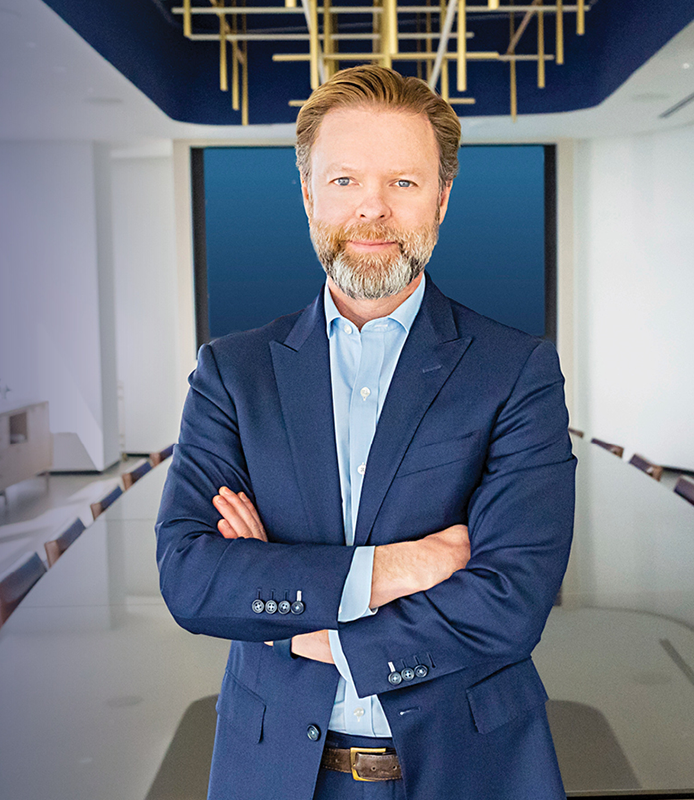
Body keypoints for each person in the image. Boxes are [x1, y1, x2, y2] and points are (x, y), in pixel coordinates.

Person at [155, 64, 575, 800]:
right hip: (274, 767)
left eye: (403, 183)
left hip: (471, 769)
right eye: (345, 181)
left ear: (441, 199)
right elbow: (191, 579)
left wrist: (294, 623)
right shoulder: (232, 373)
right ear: (310, 195)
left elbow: (512, 599)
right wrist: (401, 567)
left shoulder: (518, 371)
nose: (372, 209)